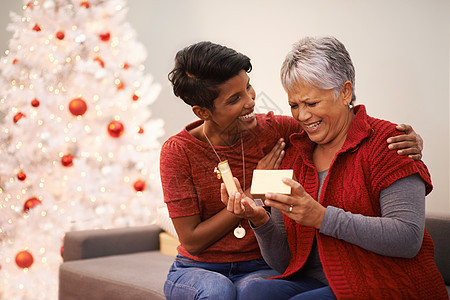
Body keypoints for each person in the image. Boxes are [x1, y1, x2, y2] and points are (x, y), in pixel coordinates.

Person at [160, 41, 424, 300]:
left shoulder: (280, 133)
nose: (251, 101)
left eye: (249, 88)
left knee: (251, 290)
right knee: (222, 292)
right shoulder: (179, 151)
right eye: (234, 99)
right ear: (202, 111)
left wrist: (407, 140)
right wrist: (255, 199)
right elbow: (193, 241)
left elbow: (349, 126)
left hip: (260, 265)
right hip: (203, 265)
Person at [221, 36, 448, 299]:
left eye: (312, 103)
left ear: (345, 92)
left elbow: (407, 239)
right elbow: (284, 263)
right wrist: (260, 220)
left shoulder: (391, 143)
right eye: (294, 105)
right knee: (254, 291)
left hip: (386, 281)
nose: (302, 116)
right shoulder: (294, 154)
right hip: (316, 282)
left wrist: (321, 217)